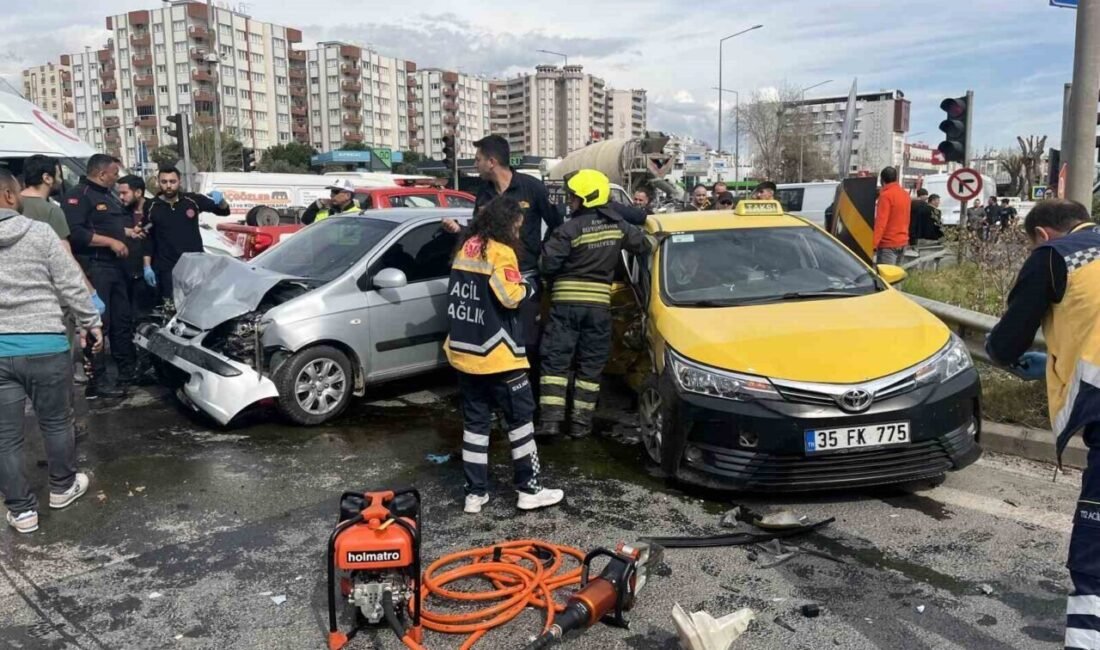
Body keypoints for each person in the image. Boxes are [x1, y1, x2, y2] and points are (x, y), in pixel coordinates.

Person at [985, 199, 1100, 649]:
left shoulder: (1056, 256)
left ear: (1044, 234)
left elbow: (1004, 342)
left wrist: (1015, 357)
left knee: (1094, 550)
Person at [443, 195, 563, 515]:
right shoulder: (501, 252)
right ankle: (529, 489)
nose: (519, 230)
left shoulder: (467, 247)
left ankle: (474, 494)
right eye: (517, 225)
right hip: (499, 355)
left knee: (476, 426)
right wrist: (529, 288)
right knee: (520, 423)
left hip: (465, 354)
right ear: (506, 223)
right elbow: (510, 298)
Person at [0, 168, 101, 533]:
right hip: (45, 342)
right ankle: (62, 487)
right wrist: (91, 321)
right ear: (11, 197)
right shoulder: (40, 233)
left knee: (5, 436)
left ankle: (22, 512)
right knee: (56, 422)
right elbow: (71, 283)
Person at [537, 169, 652, 439]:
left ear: (586, 198)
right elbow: (645, 244)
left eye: (573, 196)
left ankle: (551, 422)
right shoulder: (618, 227)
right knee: (590, 366)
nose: (569, 201)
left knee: (555, 364)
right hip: (599, 308)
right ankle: (580, 424)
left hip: (565, 307)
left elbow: (547, 264)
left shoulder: (568, 229)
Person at [443, 134, 562, 375]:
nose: (475, 165)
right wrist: (460, 229)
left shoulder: (532, 187)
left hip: (525, 275)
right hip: (493, 279)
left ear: (492, 161)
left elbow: (558, 224)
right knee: (499, 340)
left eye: (478, 159)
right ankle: (503, 396)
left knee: (527, 341)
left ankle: (527, 397)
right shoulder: (484, 193)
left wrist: (544, 252)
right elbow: (479, 231)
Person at [61, 154, 131, 398]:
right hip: (96, 267)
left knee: (122, 321)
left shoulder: (107, 195)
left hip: (116, 268)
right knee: (99, 323)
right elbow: (76, 233)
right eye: (114, 173)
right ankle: (97, 380)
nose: (116, 178)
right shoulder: (78, 195)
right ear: (102, 174)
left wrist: (125, 233)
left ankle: (126, 372)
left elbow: (108, 224)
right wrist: (111, 241)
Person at [142, 166, 230, 303]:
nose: (168, 186)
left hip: (194, 265)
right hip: (167, 267)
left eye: (172, 181)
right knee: (171, 305)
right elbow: (147, 238)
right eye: (164, 182)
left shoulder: (192, 200)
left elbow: (223, 211)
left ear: (179, 181)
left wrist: (221, 201)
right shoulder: (151, 206)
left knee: (197, 303)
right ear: (158, 183)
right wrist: (147, 266)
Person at [116, 175, 155, 325]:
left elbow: (156, 226)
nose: (121, 197)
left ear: (138, 192)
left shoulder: (154, 208)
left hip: (151, 271)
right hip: (128, 271)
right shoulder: (121, 211)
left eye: (124, 193)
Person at [873, 166, 910, 265]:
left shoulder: (885, 196)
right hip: (902, 241)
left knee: (885, 278)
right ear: (896, 178)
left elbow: (881, 222)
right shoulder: (905, 194)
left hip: (888, 244)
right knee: (896, 278)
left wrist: (874, 244)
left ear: (882, 180)